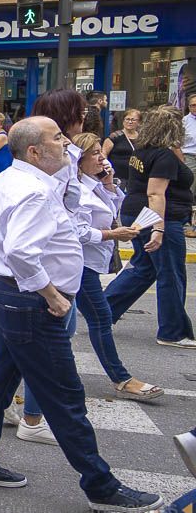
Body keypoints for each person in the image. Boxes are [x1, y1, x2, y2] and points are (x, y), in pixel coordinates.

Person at [0, 117, 163, 513]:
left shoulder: (14, 179)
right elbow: (21, 251)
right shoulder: (33, 190)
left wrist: (2, 257)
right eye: (58, 138)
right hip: (31, 303)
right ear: (34, 151)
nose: (67, 144)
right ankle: (100, 485)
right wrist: (50, 293)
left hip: (7, 294)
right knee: (65, 396)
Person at [69, 132, 160, 400]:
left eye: (101, 151)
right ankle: (121, 378)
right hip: (79, 264)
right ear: (80, 159)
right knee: (100, 318)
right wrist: (112, 235)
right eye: (95, 153)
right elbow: (78, 231)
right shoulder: (77, 190)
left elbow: (112, 210)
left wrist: (108, 184)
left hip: (90, 263)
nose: (102, 157)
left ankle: (3, 384)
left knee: (58, 329)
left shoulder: (93, 183)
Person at [104, 106, 196, 349]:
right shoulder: (163, 155)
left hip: (137, 210)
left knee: (144, 267)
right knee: (170, 273)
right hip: (159, 216)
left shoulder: (143, 150)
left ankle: (104, 310)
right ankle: (172, 331)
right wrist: (159, 228)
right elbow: (156, 194)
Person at [103, 108, 142, 183]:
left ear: (139, 122)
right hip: (118, 177)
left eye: (133, 120)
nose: (130, 122)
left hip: (135, 177)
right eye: (127, 119)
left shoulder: (142, 138)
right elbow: (104, 153)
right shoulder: (114, 137)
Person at [184, 94, 196, 234]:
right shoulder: (184, 121)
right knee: (189, 190)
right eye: (193, 105)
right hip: (189, 156)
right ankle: (187, 221)